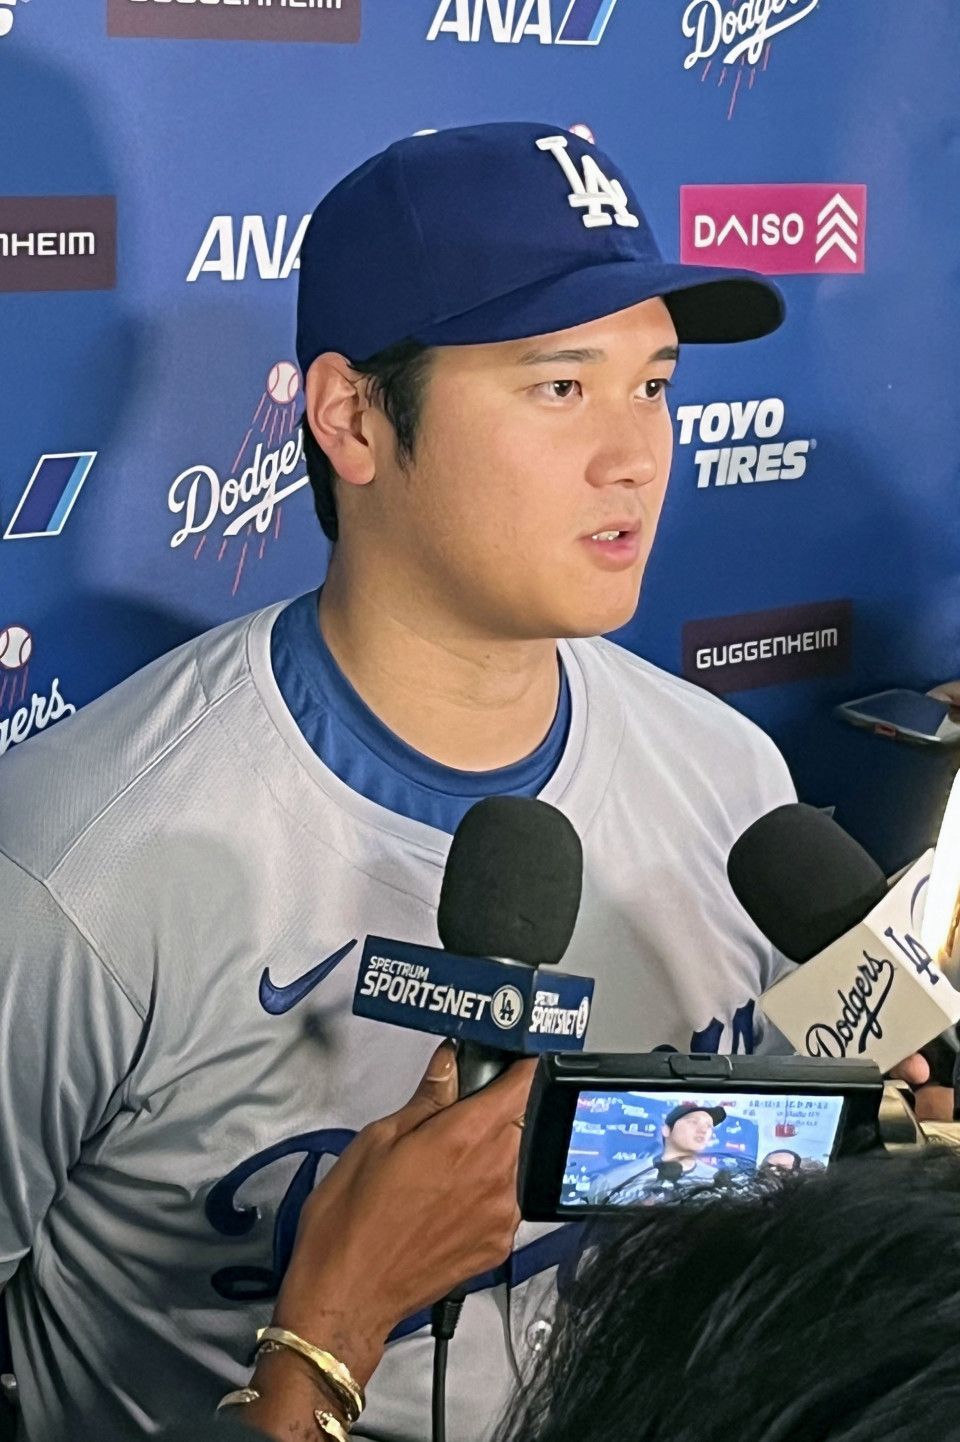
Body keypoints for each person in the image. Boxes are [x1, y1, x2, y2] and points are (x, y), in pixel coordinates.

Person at [0, 120, 931, 1442]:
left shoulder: (727, 775)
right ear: (352, 418)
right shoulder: (74, 870)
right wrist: (329, 1332)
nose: (636, 454)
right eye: (560, 387)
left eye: (653, 385)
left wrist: (877, 1146)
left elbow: (715, 1178)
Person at [588, 1104, 727, 1203]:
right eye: (693, 1122)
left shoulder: (719, 1182)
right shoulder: (615, 1181)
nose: (703, 1129)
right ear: (666, 1130)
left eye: (708, 1125)